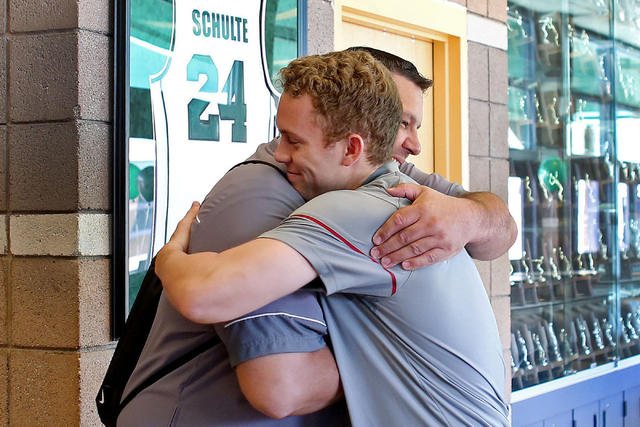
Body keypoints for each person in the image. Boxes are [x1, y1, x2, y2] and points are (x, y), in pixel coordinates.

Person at [117, 47, 516, 426]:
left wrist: (169, 254)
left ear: (352, 148)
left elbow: (203, 293)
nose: (279, 153)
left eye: (294, 140)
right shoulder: (385, 193)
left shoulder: (362, 208)